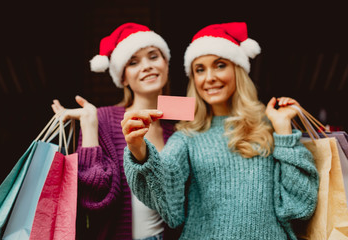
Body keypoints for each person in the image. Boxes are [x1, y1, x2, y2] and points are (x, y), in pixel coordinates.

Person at [121, 22, 319, 239]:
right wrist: (138, 150)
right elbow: (167, 198)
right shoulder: (187, 137)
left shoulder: (268, 127)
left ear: (238, 69)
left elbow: (299, 206)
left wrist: (283, 130)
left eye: (220, 65)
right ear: (193, 79)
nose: (209, 77)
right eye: (200, 69)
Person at [52, 22, 180, 240]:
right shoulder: (102, 119)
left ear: (166, 64)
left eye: (153, 56)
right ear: (122, 77)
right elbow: (93, 200)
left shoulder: (176, 128)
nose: (147, 66)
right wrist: (90, 126)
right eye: (133, 62)